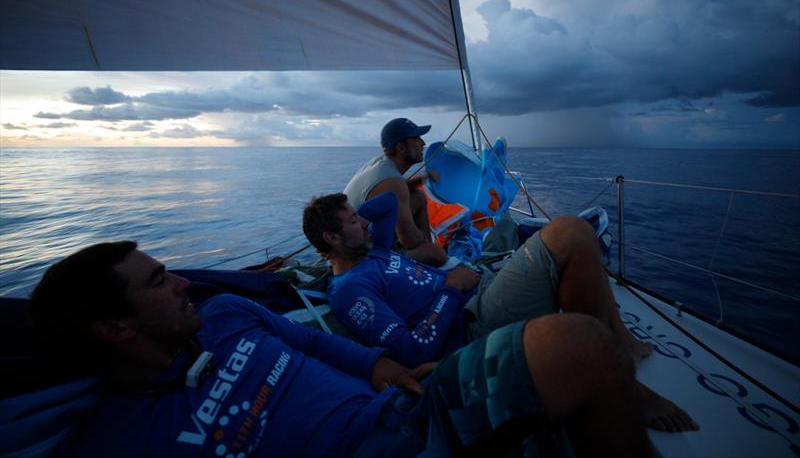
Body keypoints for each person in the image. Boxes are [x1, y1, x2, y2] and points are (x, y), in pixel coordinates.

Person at [30, 241, 653, 457]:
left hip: (406, 410)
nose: (186, 281)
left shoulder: (224, 315)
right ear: (113, 328)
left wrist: (381, 367)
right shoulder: (115, 438)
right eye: (159, 281)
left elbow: (306, 338)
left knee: (578, 343)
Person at [302, 192, 700, 433]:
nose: (366, 221)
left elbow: (388, 203)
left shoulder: (370, 249)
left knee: (567, 237)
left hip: (478, 290)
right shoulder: (349, 290)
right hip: (472, 320)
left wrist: (346, 212)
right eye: (354, 220)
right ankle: (627, 388)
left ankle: (619, 345)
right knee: (570, 232)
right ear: (331, 238)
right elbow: (412, 352)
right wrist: (450, 291)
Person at [343, 117, 447, 266]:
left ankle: (424, 248)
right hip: (358, 257)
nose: (423, 143)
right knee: (437, 254)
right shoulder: (392, 180)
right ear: (401, 148)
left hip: (353, 241)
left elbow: (395, 190)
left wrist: (423, 178)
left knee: (417, 196)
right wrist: (422, 236)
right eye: (417, 139)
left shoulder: (379, 163)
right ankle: (427, 251)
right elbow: (409, 240)